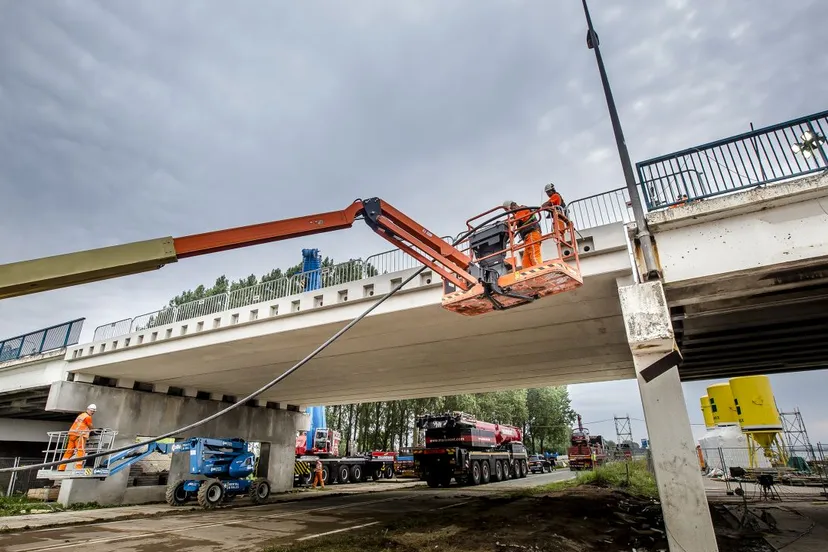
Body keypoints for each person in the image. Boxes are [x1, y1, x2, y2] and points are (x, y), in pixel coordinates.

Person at [503, 200, 542, 269]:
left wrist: (506, 223)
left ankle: (541, 270)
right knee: (526, 262)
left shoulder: (522, 209)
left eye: (509, 210)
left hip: (532, 234)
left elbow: (516, 221)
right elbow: (515, 219)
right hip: (528, 238)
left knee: (534, 256)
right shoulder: (519, 213)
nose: (510, 212)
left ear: (513, 206)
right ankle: (531, 275)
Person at [58, 404, 96, 471]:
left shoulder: (81, 415)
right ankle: (78, 468)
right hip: (79, 435)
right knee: (80, 450)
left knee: (69, 451)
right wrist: (95, 431)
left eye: (93, 411)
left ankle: (61, 467)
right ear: (88, 410)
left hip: (72, 434)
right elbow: (90, 426)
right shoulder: (88, 417)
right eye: (92, 411)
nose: (92, 412)